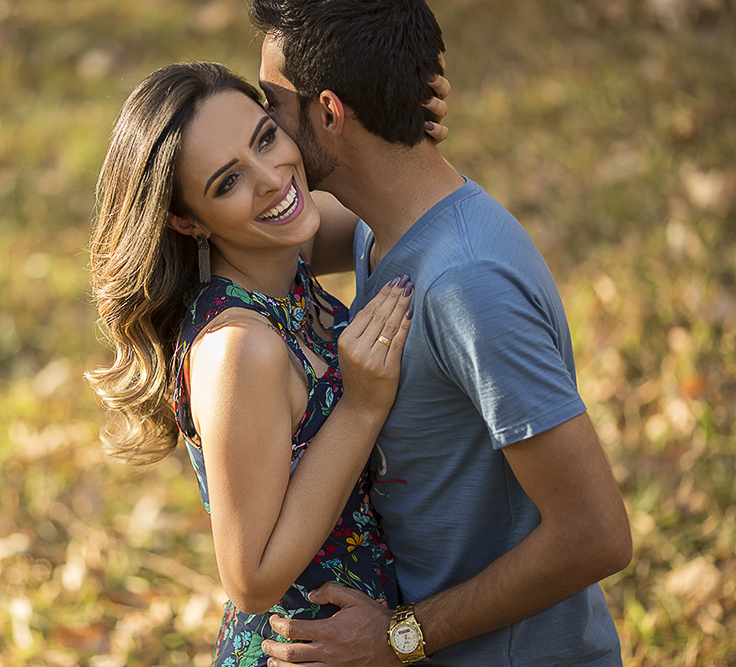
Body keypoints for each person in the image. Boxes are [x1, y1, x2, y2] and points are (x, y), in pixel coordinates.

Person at [247, 1, 633, 666]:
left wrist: (400, 633)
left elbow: (597, 533)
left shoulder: (465, 285)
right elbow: (252, 241)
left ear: (331, 113)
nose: (264, 127)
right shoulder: (380, 223)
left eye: (270, 106)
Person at [87, 61, 449, 666]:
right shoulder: (240, 350)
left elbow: (399, 208)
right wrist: (360, 407)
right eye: (227, 182)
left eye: (265, 138)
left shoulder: (282, 250)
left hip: (362, 639)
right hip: (303, 652)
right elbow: (249, 579)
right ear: (186, 220)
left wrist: (412, 132)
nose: (270, 179)